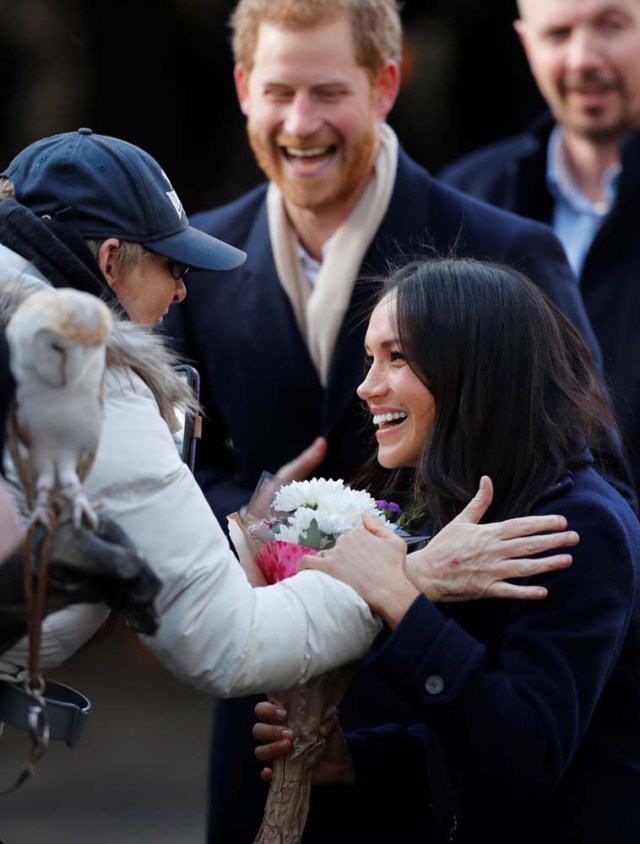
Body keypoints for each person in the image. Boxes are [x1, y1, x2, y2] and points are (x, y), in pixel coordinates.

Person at [157, 2, 634, 839]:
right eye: (278, 91)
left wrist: (406, 584)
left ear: (385, 84)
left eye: (328, 92)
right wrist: (271, 520)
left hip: (455, 713)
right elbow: (162, 477)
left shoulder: (501, 244)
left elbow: (579, 470)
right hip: (276, 714)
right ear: (241, 89)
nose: (300, 123)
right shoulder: (193, 258)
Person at [0, 132, 575, 701]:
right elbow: (227, 643)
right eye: (174, 268)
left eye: (398, 358)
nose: (179, 294)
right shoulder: (103, 378)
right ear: (109, 264)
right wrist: (407, 581)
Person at [255, 257, 640, 844]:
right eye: (369, 359)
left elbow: (530, 754)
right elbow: (469, 743)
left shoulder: (579, 524)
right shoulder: (467, 503)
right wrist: (354, 759)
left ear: (473, 368)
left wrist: (400, 600)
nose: (366, 386)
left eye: (398, 357)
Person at [439, 0, 640, 495]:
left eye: (610, 26)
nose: (582, 59)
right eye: (557, 35)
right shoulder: (465, 198)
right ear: (526, 44)